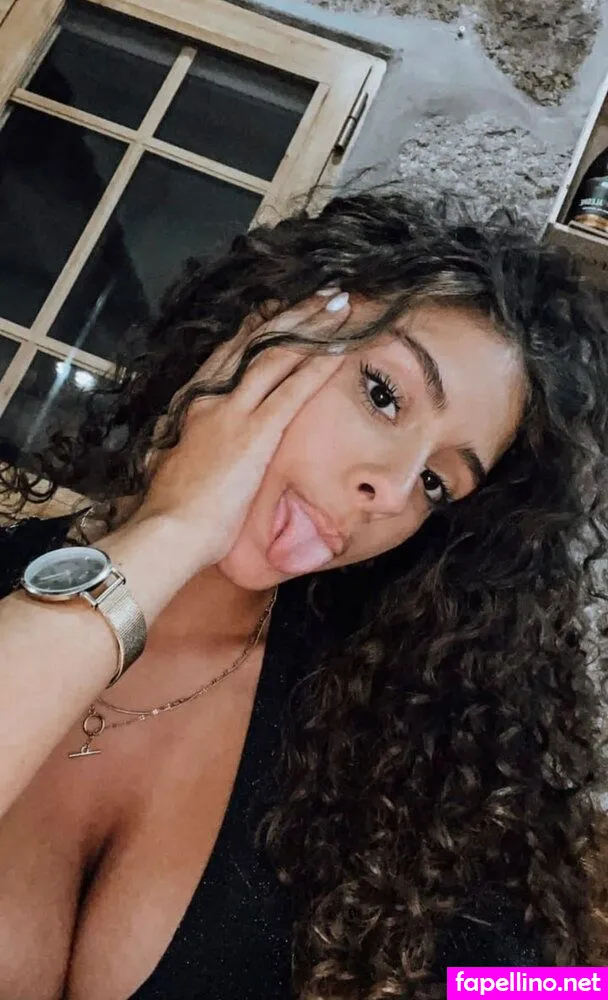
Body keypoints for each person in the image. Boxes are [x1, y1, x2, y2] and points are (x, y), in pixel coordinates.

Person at [0, 191, 606, 1000]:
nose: (392, 490)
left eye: (437, 482)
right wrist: (172, 533)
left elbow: (543, 986)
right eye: (383, 394)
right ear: (261, 330)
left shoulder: (391, 734)